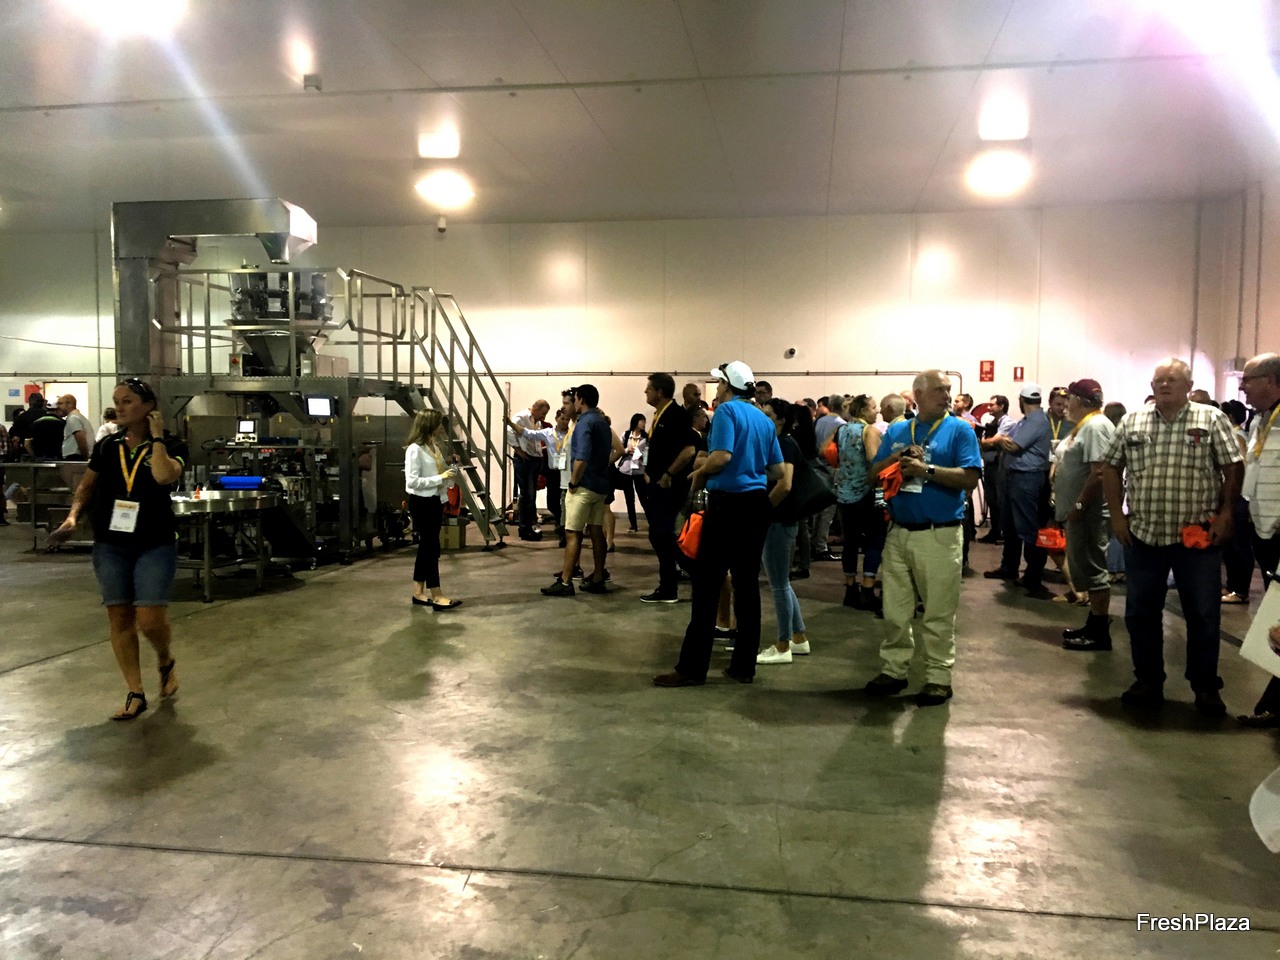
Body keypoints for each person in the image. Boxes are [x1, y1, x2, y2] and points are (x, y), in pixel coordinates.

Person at [1101, 358, 1242, 715]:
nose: (1164, 385)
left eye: (1173, 379)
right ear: (1151, 386)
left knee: (1204, 614)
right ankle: (1148, 680)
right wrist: (1117, 515)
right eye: (1159, 380)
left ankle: (1205, 687)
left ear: (1188, 386)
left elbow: (1232, 467)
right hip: (1144, 535)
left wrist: (1226, 513)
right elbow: (1111, 467)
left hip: (1197, 538)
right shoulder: (1132, 422)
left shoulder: (1210, 419)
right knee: (1140, 613)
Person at [47, 378, 187, 720]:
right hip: (111, 542)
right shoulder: (108, 446)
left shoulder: (171, 444)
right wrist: (73, 516)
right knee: (119, 616)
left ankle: (165, 659)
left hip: (154, 541)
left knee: (149, 619)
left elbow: (163, 476)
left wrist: (156, 438)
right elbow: (87, 486)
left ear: (148, 406)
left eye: (127, 401)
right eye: (117, 401)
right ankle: (135, 692)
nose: (119, 407)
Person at [653, 361, 783, 687]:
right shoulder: (763, 418)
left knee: (706, 586)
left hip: (728, 506)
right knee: (747, 587)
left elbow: (722, 455)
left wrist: (701, 473)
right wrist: (750, 469)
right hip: (756, 505)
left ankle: (692, 668)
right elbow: (778, 470)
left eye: (719, 382)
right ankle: (743, 667)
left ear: (727, 385)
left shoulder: (726, 412)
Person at [864, 369, 981, 706]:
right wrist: (896, 459)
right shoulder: (899, 430)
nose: (946, 396)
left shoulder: (960, 430)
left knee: (938, 612)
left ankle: (938, 678)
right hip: (899, 532)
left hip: (938, 534)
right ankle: (894, 669)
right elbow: (873, 475)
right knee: (895, 610)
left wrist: (926, 471)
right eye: (938, 390)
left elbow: (970, 478)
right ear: (918, 395)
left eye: (948, 389)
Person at [1054, 379, 1117, 651]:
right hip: (1079, 513)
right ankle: (1094, 623)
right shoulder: (1085, 426)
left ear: (1079, 401)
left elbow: (1099, 472)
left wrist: (1079, 506)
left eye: (1069, 398)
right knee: (1086, 567)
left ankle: (1100, 632)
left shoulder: (1095, 426)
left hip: (1089, 513)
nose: (1065, 404)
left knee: (1093, 569)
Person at [1235, 354, 1280, 727]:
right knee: (1275, 615)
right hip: (1264, 530)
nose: (1242, 387)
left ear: (1270, 380)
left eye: (1248, 380)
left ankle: (1275, 703)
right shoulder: (1260, 420)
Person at [543, 384, 613, 597]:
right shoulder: (602, 422)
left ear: (580, 400)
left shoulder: (584, 423)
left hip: (584, 486)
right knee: (596, 531)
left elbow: (581, 457)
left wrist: (573, 482)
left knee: (572, 533)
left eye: (573, 400)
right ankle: (598, 577)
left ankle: (566, 582)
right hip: (600, 486)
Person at [755, 398, 811, 664]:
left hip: (779, 520)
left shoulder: (784, 444)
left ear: (781, 420)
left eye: (768, 415)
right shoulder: (778, 442)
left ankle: (782, 645)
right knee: (782, 584)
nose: (763, 418)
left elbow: (784, 485)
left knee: (778, 585)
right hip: (780, 519)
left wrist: (762, 512)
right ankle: (798, 638)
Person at [985, 384, 1053, 598]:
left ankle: (1033, 577)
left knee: (1028, 527)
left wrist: (999, 440)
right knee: (1011, 526)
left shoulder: (1036, 421)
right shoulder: (1026, 421)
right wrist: (1002, 440)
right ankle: (1009, 567)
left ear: (1021, 401)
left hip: (1027, 478)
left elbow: (1013, 446)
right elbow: (1008, 441)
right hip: (1016, 478)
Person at [640, 373, 697, 603]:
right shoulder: (659, 415)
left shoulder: (676, 415)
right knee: (658, 535)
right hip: (657, 484)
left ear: (660, 391)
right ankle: (669, 586)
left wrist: (668, 474)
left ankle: (694, 574)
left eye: (649, 388)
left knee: (663, 534)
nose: (646, 392)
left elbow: (689, 450)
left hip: (670, 485)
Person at [404, 409, 461, 610]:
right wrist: (440, 478)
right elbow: (412, 482)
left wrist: (449, 467)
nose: (441, 428)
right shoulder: (414, 450)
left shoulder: (433, 447)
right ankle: (437, 594)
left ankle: (418, 592)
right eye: (438, 424)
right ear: (429, 426)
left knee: (427, 547)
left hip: (435, 501)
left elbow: (440, 472)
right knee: (430, 548)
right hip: (421, 503)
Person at [834, 394, 884, 611]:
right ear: (863, 410)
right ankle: (867, 589)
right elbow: (874, 460)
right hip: (865, 493)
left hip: (844, 493)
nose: (877, 411)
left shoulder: (842, 430)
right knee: (875, 540)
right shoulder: (869, 431)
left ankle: (850, 588)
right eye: (873, 407)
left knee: (850, 543)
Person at [1218, 398, 1253, 605]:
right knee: (1231, 545)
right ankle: (1233, 586)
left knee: (1239, 545)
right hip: (1235, 496)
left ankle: (1240, 589)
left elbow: (1240, 468)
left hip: (1239, 497)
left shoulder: (1236, 436)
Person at [506, 398, 551, 541]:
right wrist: (518, 450)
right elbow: (509, 431)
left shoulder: (537, 422)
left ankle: (528, 526)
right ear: (535, 408)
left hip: (534, 459)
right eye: (543, 413)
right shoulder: (521, 417)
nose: (544, 417)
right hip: (525, 460)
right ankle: (524, 528)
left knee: (530, 495)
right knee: (527, 495)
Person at [977, 395, 1013, 542]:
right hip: (990, 464)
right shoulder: (992, 423)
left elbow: (993, 441)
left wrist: (984, 442)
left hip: (1000, 465)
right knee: (991, 499)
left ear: (1001, 406)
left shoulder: (1008, 422)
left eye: (992, 405)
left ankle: (1003, 532)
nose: (989, 407)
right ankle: (995, 531)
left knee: (1000, 499)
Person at [614, 413, 649, 532]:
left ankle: (652, 522)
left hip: (639, 470)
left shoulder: (645, 437)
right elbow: (619, 449)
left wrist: (641, 456)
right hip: (626, 470)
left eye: (644, 421)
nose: (644, 423)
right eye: (642, 421)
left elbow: (647, 455)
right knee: (629, 499)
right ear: (635, 422)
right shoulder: (626, 435)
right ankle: (633, 524)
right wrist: (627, 450)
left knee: (643, 498)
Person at [56, 394, 92, 461]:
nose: (57, 406)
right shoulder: (79, 417)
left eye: (60, 403)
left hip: (75, 457)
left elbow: (80, 438)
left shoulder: (73, 418)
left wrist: (85, 459)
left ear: (70, 404)